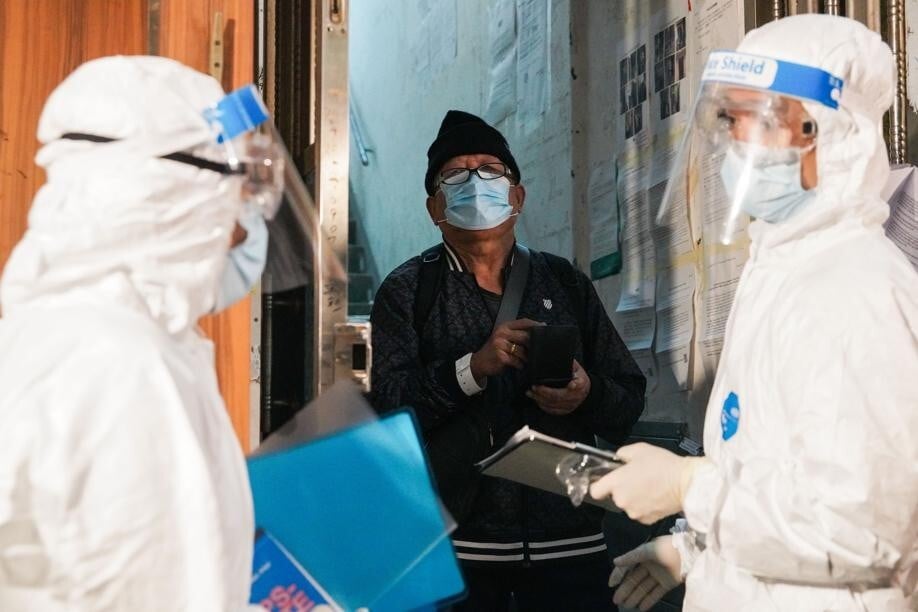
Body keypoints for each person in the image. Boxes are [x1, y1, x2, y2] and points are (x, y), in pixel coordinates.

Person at [589, 15, 918, 611]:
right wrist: (692, 550)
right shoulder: (784, 274)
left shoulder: (855, 290)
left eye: (761, 122)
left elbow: (867, 531)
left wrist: (690, 489)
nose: (737, 145)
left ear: (832, 136)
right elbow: (771, 473)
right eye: (730, 122)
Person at [0, 56, 271, 609]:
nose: (238, 234)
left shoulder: (54, 330)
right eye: (232, 210)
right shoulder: (126, 366)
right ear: (179, 200)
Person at [370, 110, 647, 610]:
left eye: (491, 171)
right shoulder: (408, 290)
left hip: (571, 545)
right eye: (456, 174)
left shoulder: (563, 282)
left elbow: (628, 399)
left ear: (517, 196)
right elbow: (389, 409)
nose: (475, 182)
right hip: (458, 549)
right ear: (435, 206)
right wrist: (471, 371)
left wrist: (587, 393)